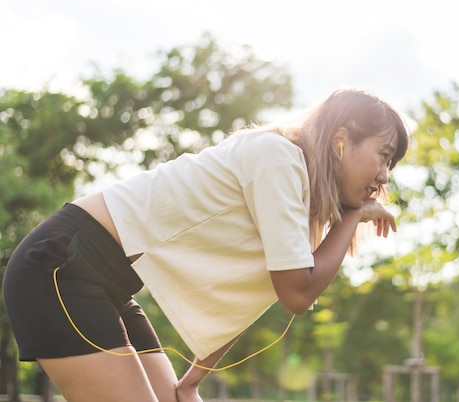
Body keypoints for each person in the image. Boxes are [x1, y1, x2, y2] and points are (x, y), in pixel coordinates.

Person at [3, 88, 410, 402]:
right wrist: (354, 215)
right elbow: (297, 293)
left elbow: (249, 295)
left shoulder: (297, 192)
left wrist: (189, 383)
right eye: (384, 155)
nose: (384, 176)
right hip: (61, 267)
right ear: (342, 140)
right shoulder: (278, 159)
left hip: (108, 285)